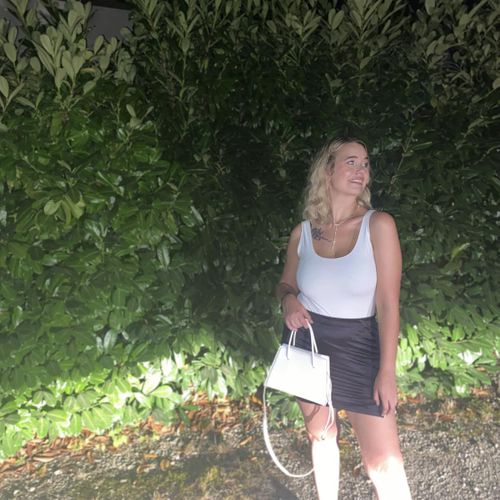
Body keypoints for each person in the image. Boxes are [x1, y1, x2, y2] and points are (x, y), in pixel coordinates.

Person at [276, 137, 412, 499]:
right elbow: (286, 284)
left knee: (384, 462)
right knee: (321, 436)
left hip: (358, 347)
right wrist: (288, 301)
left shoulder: (378, 225)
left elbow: (388, 304)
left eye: (365, 164)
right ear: (328, 169)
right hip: (308, 342)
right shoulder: (303, 233)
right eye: (351, 162)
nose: (361, 170)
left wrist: (386, 371)